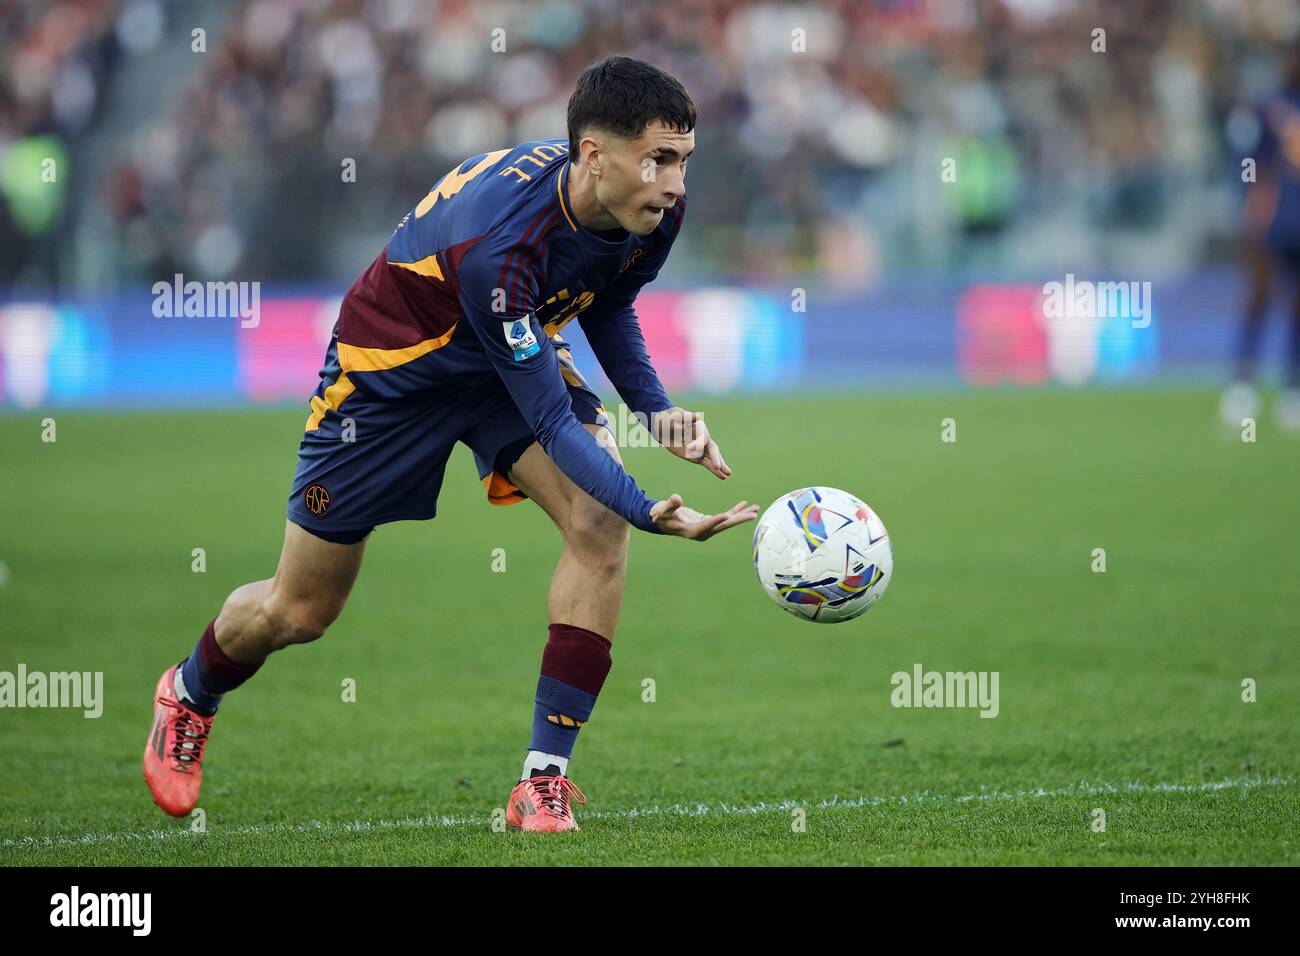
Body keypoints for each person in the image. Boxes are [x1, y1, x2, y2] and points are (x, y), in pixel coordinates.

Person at [143, 56, 758, 833]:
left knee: (593, 527)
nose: (675, 183)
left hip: (506, 355)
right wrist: (645, 507)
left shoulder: (650, 211)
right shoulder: (499, 243)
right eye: (659, 160)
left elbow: (610, 303)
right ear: (596, 156)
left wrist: (658, 411)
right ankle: (191, 691)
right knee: (300, 610)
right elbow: (553, 424)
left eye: (683, 161)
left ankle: (542, 782)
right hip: (390, 377)